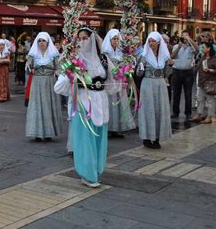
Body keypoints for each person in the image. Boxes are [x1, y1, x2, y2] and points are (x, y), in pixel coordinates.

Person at [54, 27, 120, 188]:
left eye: (86, 38)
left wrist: (123, 74)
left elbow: (113, 81)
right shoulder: (74, 59)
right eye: (80, 38)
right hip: (84, 103)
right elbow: (60, 87)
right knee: (85, 139)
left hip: (101, 102)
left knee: (99, 138)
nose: (83, 41)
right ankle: (87, 174)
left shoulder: (103, 58)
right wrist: (70, 74)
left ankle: (96, 171)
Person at [137, 32, 174, 149]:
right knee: (148, 110)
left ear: (159, 42)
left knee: (159, 110)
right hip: (148, 83)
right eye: (150, 41)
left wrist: (170, 66)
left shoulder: (164, 56)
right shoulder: (144, 56)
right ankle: (147, 138)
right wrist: (139, 67)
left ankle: (157, 137)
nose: (151, 43)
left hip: (160, 84)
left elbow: (167, 74)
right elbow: (138, 74)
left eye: (153, 41)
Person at [25, 32, 62, 141]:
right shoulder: (32, 54)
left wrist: (57, 72)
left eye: (43, 41)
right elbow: (27, 67)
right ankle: (37, 132)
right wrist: (28, 67)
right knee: (37, 106)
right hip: (37, 82)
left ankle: (49, 132)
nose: (41, 43)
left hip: (50, 82)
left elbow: (59, 67)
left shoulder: (54, 54)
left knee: (49, 106)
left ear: (47, 42)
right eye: (39, 41)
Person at [102, 29, 136, 138]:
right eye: (114, 39)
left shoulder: (121, 52)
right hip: (109, 80)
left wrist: (126, 69)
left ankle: (117, 128)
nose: (116, 41)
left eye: (117, 39)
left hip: (119, 79)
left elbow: (126, 62)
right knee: (109, 102)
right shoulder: (105, 52)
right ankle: (108, 127)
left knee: (120, 101)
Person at [190, 43, 216, 124]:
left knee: (210, 100)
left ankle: (210, 116)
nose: (202, 49)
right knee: (200, 99)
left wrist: (211, 70)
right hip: (202, 81)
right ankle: (199, 114)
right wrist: (195, 65)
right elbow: (199, 67)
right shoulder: (203, 57)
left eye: (203, 47)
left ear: (208, 49)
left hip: (210, 82)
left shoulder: (215, 59)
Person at [170, 30, 198, 120]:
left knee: (188, 93)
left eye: (186, 36)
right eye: (183, 36)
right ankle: (175, 112)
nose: (184, 38)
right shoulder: (176, 46)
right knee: (176, 93)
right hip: (177, 71)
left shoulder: (191, 47)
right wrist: (179, 46)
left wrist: (189, 40)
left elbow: (197, 49)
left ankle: (188, 113)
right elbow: (172, 56)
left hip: (188, 72)